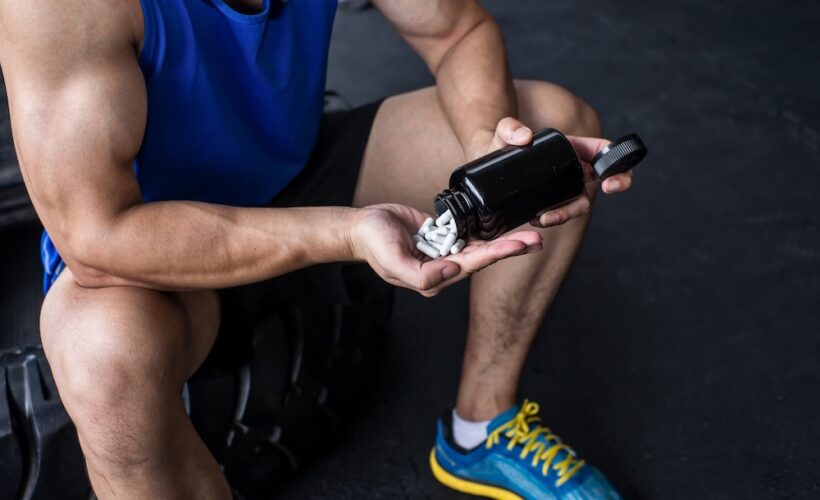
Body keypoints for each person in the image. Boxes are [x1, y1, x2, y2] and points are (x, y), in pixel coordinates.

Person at [0, 1, 633, 498]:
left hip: (297, 172)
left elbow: (457, 31)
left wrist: (491, 163)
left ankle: (480, 429)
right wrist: (345, 231)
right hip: (161, 249)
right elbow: (98, 237)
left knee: (549, 124)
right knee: (98, 355)